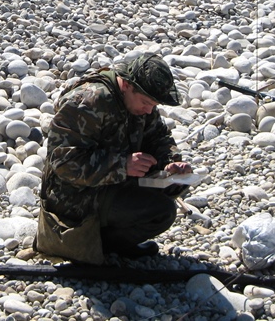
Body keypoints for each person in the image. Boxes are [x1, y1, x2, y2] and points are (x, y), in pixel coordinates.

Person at [36, 52, 193, 264]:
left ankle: (112, 246)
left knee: (174, 186)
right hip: (73, 196)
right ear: (126, 85)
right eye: (146, 103)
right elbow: (64, 163)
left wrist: (171, 162)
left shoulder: (138, 102)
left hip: (110, 182)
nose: (149, 111)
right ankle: (88, 246)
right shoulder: (87, 102)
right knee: (161, 211)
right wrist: (122, 165)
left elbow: (158, 136)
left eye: (154, 105)